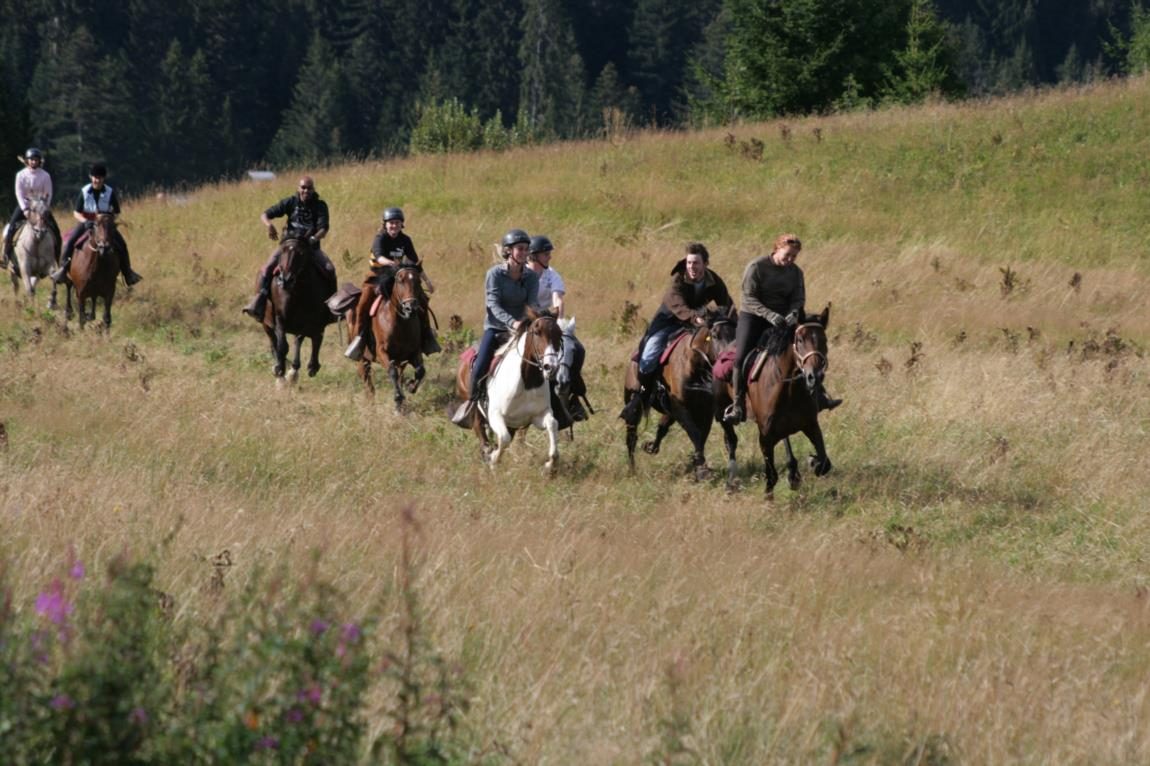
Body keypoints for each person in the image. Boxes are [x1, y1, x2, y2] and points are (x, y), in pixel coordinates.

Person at [723, 233, 841, 424]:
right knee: (741, 357)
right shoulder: (756, 267)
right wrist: (769, 315)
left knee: (807, 350)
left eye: (794, 257)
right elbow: (749, 298)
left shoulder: (796, 273)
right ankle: (737, 405)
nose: (790, 260)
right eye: (787, 255)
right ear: (776, 249)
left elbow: (798, 298)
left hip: (783, 318)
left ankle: (819, 396)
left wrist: (794, 312)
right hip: (753, 317)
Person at [620, 242, 734, 420]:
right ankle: (640, 396)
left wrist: (734, 322)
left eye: (696, 263)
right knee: (649, 354)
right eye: (689, 263)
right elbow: (676, 304)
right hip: (668, 323)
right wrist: (694, 317)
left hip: (696, 325)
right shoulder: (678, 278)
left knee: (717, 347)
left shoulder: (713, 280)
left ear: (705, 264)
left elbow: (726, 304)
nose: (692, 267)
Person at [451, 228, 542, 425]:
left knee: (546, 360)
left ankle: (554, 406)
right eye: (520, 248)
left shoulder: (532, 277)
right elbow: (493, 304)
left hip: (522, 330)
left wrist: (539, 318)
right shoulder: (494, 274)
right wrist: (512, 322)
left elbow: (533, 304)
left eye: (527, 249)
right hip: (496, 328)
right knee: (480, 364)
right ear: (508, 251)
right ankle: (472, 404)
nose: (524, 252)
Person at [345, 206, 440, 359]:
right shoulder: (380, 238)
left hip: (398, 277)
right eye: (391, 223)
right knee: (363, 305)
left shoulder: (405, 240)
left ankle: (427, 336)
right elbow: (379, 257)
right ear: (385, 224)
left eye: (397, 223)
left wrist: (427, 282)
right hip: (376, 277)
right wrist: (392, 263)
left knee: (422, 299)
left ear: (402, 224)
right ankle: (359, 341)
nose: (394, 226)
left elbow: (415, 263)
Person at [242, 175, 335, 320]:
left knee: (329, 269)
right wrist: (269, 225)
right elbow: (265, 215)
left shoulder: (320, 205)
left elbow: (324, 229)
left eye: (309, 188)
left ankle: (331, 309)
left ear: (313, 189)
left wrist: (313, 238)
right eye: (303, 188)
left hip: (310, 247)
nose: (306, 191)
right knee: (266, 269)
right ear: (298, 188)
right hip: (288, 246)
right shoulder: (290, 202)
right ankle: (259, 301)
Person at [527, 234, 588, 422]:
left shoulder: (552, 275)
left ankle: (573, 397)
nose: (549, 257)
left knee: (576, 349)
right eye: (546, 254)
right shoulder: (522, 274)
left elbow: (558, 300)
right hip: (526, 322)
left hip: (549, 321)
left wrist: (558, 319)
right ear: (534, 256)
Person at [50, 163, 142, 286]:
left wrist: (108, 221)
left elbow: (117, 212)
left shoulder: (110, 192)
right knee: (70, 242)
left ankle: (128, 273)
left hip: (104, 224)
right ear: (90, 177)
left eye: (99, 178)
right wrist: (85, 221)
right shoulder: (84, 191)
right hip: (86, 222)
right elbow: (76, 213)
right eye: (94, 177)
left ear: (103, 179)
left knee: (122, 244)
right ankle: (62, 270)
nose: (96, 180)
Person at [4, 147, 61, 272]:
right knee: (12, 227)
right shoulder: (20, 175)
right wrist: (25, 209)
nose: (33, 162)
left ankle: (58, 261)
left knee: (56, 231)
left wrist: (43, 208)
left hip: (41, 207)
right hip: (25, 205)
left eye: (36, 160)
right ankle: (6, 256)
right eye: (31, 160)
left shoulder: (45, 175)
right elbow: (18, 193)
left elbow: (48, 193)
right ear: (27, 161)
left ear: (39, 161)